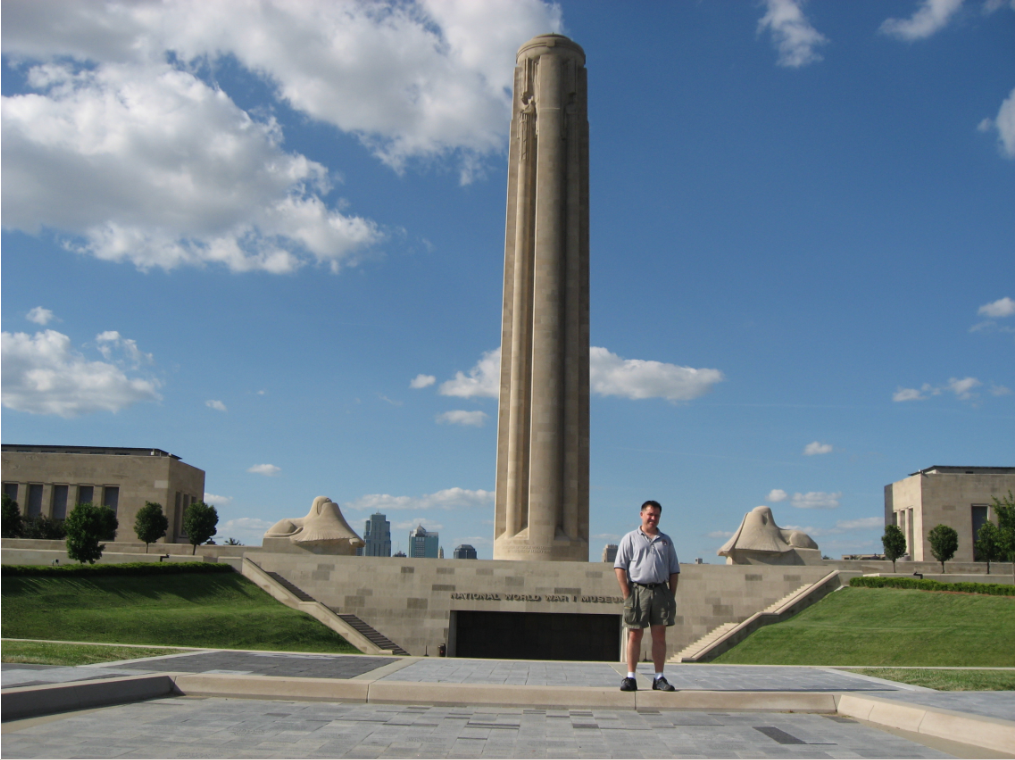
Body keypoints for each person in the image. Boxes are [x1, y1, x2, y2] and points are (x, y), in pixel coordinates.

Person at [613, 500, 680, 692]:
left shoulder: (666, 540)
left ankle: (659, 677)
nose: (653, 518)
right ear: (641, 514)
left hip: (660, 591)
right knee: (635, 634)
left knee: (660, 635)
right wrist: (627, 593)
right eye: (650, 514)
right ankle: (630, 677)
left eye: (657, 515)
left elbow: (674, 569)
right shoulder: (631, 538)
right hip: (638, 590)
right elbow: (620, 566)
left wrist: (670, 595)